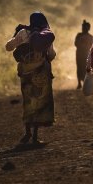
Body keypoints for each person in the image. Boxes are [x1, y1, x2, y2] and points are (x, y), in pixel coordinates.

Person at [5, 12, 56, 144]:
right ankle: (35, 137)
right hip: (41, 72)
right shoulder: (46, 34)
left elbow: (8, 47)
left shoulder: (23, 32)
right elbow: (51, 54)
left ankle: (27, 132)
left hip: (26, 72)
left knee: (28, 101)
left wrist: (15, 39)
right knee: (40, 101)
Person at [74, 20, 93, 89]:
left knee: (85, 68)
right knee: (80, 68)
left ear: (88, 28)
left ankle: (84, 83)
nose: (84, 29)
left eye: (85, 27)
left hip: (85, 54)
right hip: (80, 54)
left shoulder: (89, 36)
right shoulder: (80, 35)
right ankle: (79, 83)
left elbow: (92, 45)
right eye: (83, 27)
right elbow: (76, 44)